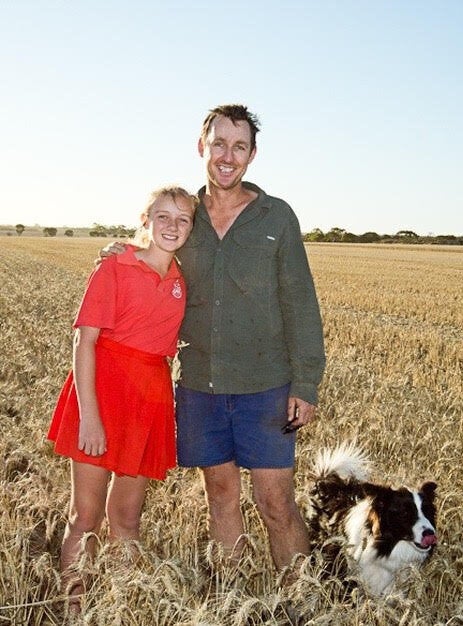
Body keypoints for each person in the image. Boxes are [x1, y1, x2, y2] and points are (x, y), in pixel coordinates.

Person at [104, 105, 326, 573]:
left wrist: (306, 384)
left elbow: (301, 303)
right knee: (221, 497)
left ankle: (302, 605)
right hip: (200, 385)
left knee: (275, 503)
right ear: (201, 146)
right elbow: (152, 247)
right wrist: (117, 252)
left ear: (252, 155)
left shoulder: (276, 217)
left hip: (266, 385)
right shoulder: (187, 216)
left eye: (239, 146)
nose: (228, 156)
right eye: (219, 143)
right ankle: (234, 602)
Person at [47, 186, 196, 605]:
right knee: (86, 517)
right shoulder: (114, 266)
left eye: (182, 219)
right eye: (162, 216)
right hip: (102, 394)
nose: (172, 226)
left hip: (149, 400)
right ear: (145, 219)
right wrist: (90, 418)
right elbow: (85, 342)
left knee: (127, 519)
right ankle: (74, 606)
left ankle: (118, 605)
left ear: (191, 229)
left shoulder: (182, 278)